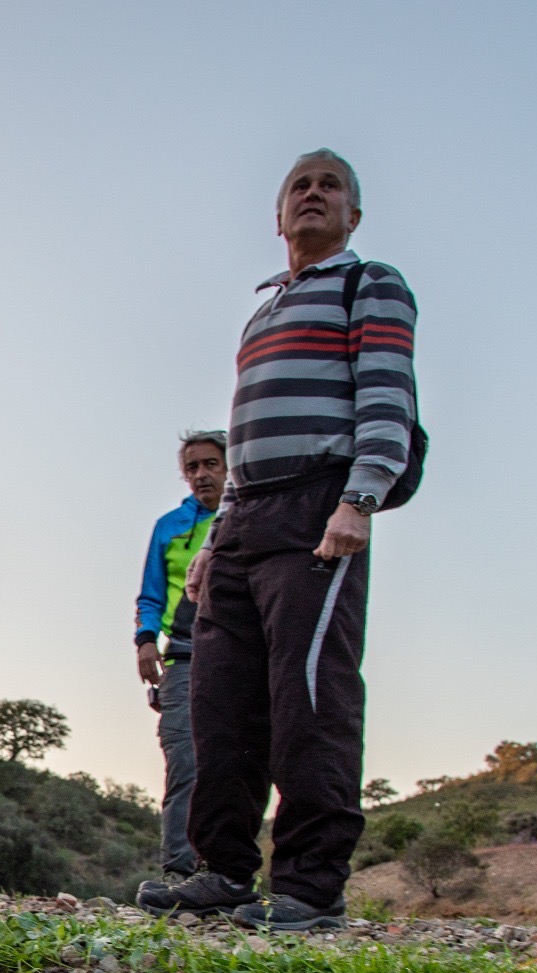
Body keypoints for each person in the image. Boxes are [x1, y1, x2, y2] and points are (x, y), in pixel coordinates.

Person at [152, 150, 418, 933]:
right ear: (277, 217)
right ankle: (223, 869)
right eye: (299, 185)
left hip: (318, 504)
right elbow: (242, 436)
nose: (312, 194)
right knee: (220, 701)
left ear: (353, 214)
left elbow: (388, 395)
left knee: (308, 695)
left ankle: (310, 885)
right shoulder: (263, 311)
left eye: (329, 186)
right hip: (245, 517)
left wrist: (360, 498)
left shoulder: (368, 283)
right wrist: (215, 539)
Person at [133, 430, 224, 892]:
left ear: (230, 467)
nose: (201, 474)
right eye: (192, 467)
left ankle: (226, 871)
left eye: (211, 464)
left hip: (242, 654)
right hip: (183, 655)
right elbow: (150, 593)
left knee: (237, 761)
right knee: (184, 760)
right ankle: (179, 872)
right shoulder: (168, 526)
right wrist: (145, 640)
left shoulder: (250, 516)